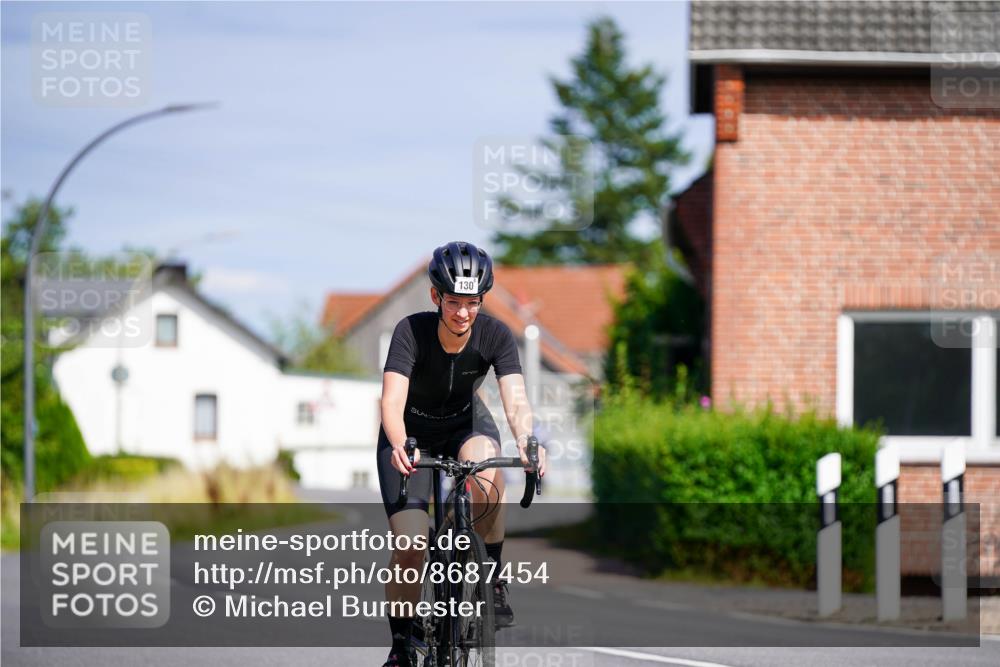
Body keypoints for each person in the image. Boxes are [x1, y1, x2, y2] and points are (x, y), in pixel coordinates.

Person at [376, 241, 547, 667]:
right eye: (454, 302)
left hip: (464, 425)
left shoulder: (495, 335)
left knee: (488, 472)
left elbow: (516, 401)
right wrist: (399, 443)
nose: (463, 313)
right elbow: (391, 402)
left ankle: (492, 573)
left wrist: (529, 441)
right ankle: (401, 646)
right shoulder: (410, 332)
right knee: (411, 545)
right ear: (436, 296)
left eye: (472, 303)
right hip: (410, 436)